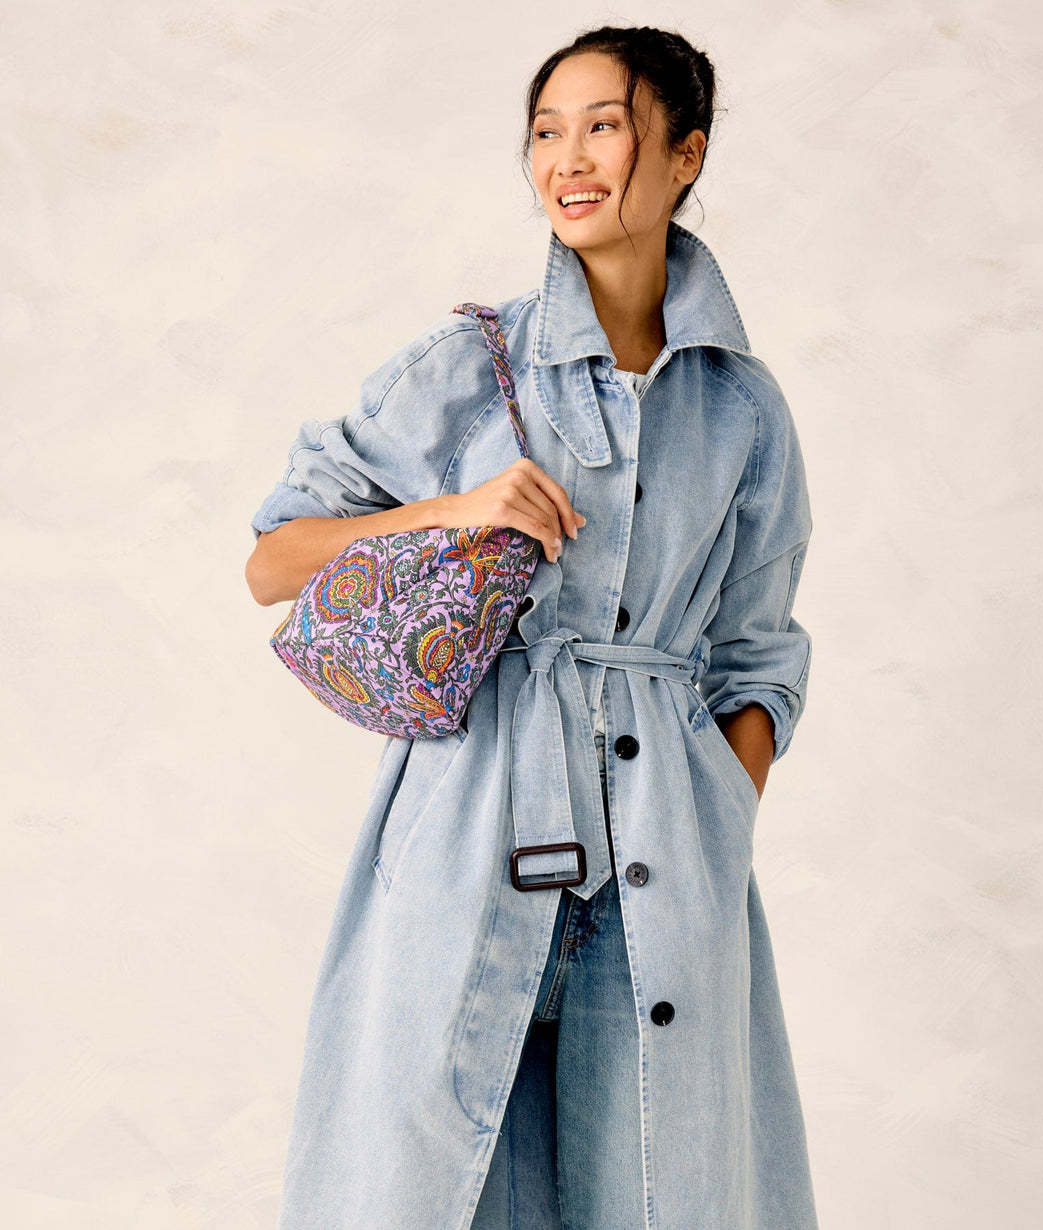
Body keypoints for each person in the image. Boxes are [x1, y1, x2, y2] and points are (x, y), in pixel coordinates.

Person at [245, 24, 819, 1230]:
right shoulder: (468, 365)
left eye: (605, 126)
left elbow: (759, 651)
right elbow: (273, 559)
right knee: (427, 1187)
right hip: (465, 842)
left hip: (666, 864)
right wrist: (457, 509)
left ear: (684, 154)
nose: (569, 159)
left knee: (664, 1194)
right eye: (547, 131)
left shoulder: (743, 409)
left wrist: (719, 812)